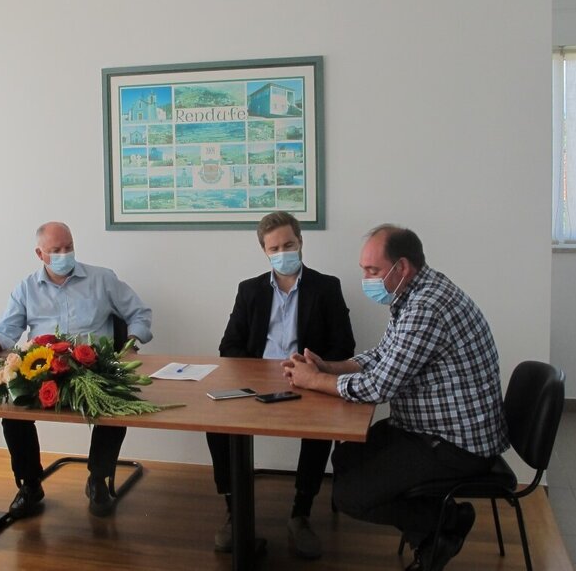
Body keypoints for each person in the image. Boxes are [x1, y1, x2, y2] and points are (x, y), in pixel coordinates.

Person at [283, 224, 509, 571]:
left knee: (348, 496)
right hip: (428, 428)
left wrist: (314, 380)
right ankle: (434, 533)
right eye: (364, 270)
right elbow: (383, 355)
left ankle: (447, 522)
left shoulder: (427, 307)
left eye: (373, 270)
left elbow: (379, 387)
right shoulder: (415, 294)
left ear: (401, 267)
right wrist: (330, 367)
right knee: (345, 458)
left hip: (454, 444)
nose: (366, 279)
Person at [0, 221, 153, 518]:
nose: (65, 254)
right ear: (40, 254)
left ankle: (98, 478)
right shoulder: (26, 288)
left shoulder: (102, 279)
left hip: (93, 367)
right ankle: (30, 484)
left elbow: (139, 313)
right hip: (43, 370)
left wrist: (130, 342)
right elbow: (6, 328)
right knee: (11, 409)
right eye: (56, 250)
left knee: (117, 401)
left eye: (69, 247)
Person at [208, 211, 356, 559]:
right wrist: (259, 371)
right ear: (264, 251)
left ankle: (301, 513)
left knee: (319, 428)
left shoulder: (326, 287)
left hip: (307, 381)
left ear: (300, 242)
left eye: (289, 244)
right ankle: (234, 510)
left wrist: (312, 367)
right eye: (274, 248)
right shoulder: (250, 290)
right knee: (216, 424)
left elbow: (344, 346)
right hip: (255, 383)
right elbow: (228, 346)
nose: (283, 253)